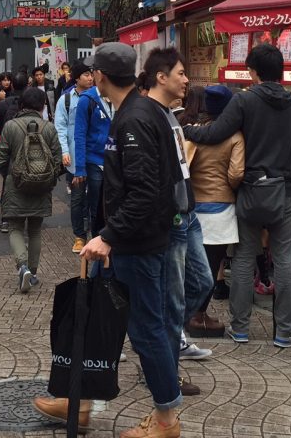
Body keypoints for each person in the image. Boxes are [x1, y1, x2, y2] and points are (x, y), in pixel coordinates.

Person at [35, 42, 183, 438]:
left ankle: (167, 419)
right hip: (131, 241)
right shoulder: (143, 110)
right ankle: (77, 400)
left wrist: (109, 236)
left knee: (147, 330)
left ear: (99, 76)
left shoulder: (134, 118)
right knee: (98, 320)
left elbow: (144, 192)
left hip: (137, 246)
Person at [181, 43, 291, 348]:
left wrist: (186, 130)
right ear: (282, 71)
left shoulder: (244, 101)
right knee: (284, 261)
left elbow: (215, 134)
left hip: (250, 191)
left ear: (253, 72)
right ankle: (287, 332)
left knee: (242, 258)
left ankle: (240, 329)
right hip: (284, 192)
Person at [143, 48, 214, 385]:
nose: (187, 80)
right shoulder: (148, 115)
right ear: (162, 77)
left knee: (203, 282)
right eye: (181, 73)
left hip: (189, 212)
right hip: (173, 219)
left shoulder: (172, 115)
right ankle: (161, 366)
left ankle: (166, 345)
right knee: (170, 298)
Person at [182, 84, 244, 339]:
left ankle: (190, 313)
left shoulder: (193, 132)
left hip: (194, 206)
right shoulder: (235, 136)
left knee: (193, 265)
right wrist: (229, 187)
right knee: (212, 264)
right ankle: (198, 315)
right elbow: (237, 173)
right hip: (221, 209)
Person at [0, 86, 63, 293]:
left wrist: (9, 175)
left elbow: (1, 159)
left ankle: (22, 266)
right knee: (35, 230)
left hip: (16, 185)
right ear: (42, 106)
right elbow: (57, 160)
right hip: (41, 187)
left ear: (21, 104)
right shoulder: (48, 128)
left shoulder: (11, 126)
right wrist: (46, 179)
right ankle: (32, 273)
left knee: (15, 227)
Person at [55, 60, 93, 253]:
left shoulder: (98, 97)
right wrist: (64, 151)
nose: (90, 78)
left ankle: (97, 234)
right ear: (77, 78)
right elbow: (60, 127)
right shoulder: (66, 99)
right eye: (86, 74)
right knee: (78, 198)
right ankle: (79, 236)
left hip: (94, 155)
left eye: (91, 74)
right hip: (75, 156)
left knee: (95, 197)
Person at [72, 69, 111, 241]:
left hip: (114, 160)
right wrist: (79, 168)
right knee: (95, 206)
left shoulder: (119, 97)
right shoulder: (87, 100)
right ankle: (96, 240)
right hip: (94, 160)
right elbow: (79, 134)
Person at [0, 72, 29, 234]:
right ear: (27, 84)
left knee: (8, 184)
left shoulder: (3, 104)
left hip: (9, 148)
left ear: (13, 85)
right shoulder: (33, 101)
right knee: (30, 180)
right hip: (29, 148)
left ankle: (6, 220)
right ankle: (27, 215)